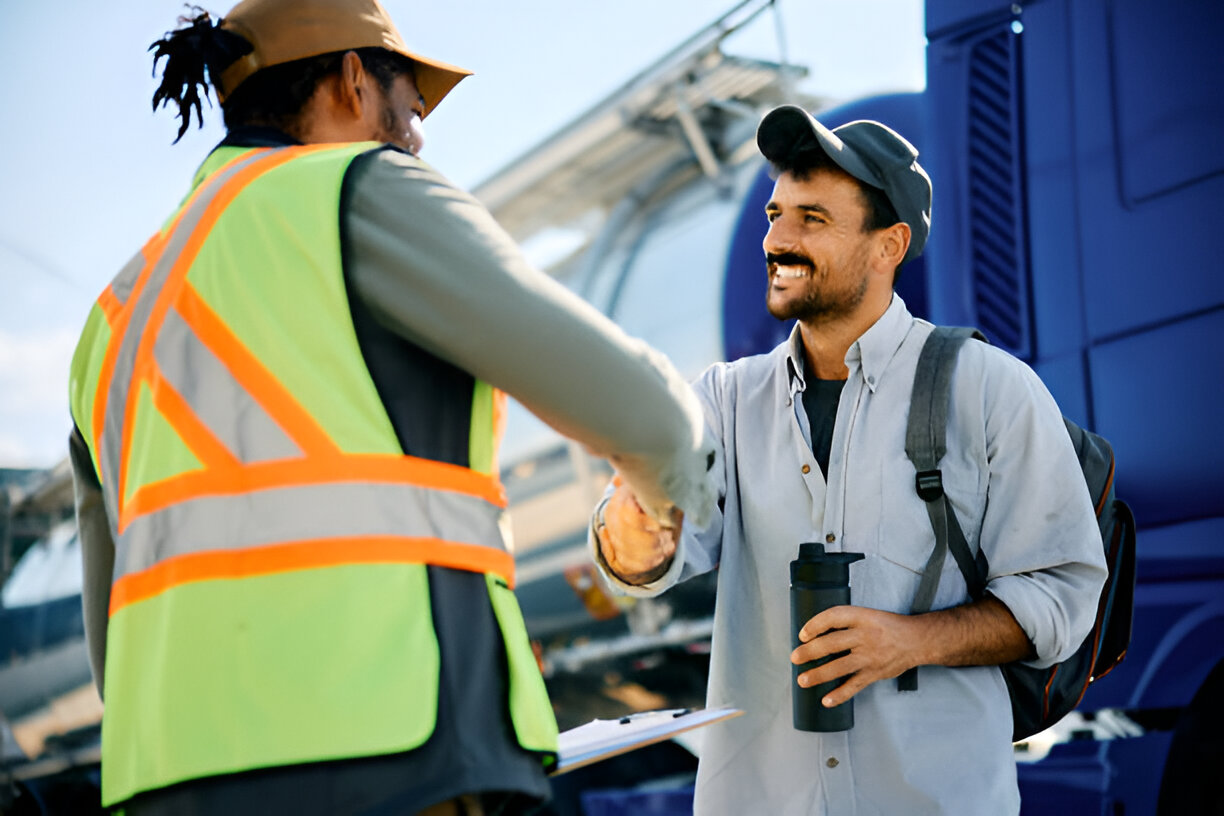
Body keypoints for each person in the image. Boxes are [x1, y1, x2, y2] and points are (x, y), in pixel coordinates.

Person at [66, 1, 715, 813]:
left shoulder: (114, 315)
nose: (414, 137)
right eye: (408, 107)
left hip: (171, 780)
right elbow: (648, 415)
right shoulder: (350, 190)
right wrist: (664, 511)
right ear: (349, 79)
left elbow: (111, 641)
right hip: (395, 754)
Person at [589, 105, 1108, 815]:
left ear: (888, 245)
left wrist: (911, 641)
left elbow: (1064, 595)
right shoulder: (724, 401)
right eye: (775, 214)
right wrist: (633, 538)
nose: (776, 238)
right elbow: (653, 556)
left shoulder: (989, 390)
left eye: (813, 219)